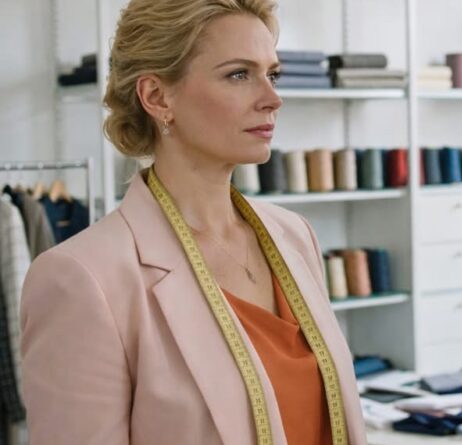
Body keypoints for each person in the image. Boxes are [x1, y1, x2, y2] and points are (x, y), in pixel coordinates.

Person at [20, 0, 367, 443]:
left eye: (272, 74)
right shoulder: (83, 279)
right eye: (238, 74)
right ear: (157, 97)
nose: (273, 98)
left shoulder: (295, 236)